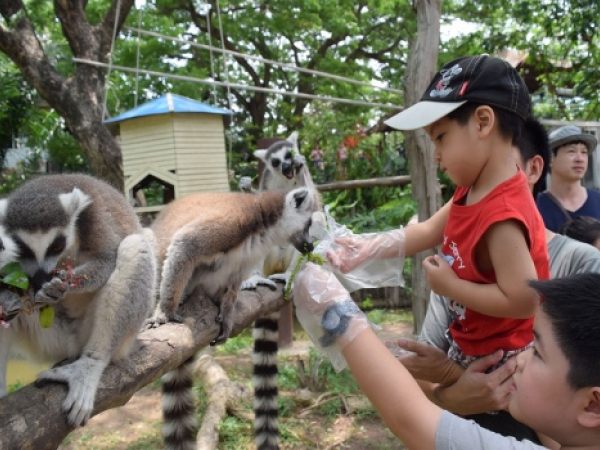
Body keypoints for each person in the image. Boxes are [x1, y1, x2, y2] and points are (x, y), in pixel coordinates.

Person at [329, 54, 549, 371]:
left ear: (483, 122)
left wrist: (451, 288)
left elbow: (525, 300)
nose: (436, 156)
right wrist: (365, 248)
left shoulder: (502, 214)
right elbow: (428, 230)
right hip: (473, 348)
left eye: (441, 138)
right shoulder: (473, 189)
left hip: (505, 365)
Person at [403, 116, 600, 446]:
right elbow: (421, 375)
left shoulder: (583, 267)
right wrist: (451, 396)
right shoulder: (455, 267)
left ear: (533, 170)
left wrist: (451, 382)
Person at [293, 263, 600, 449]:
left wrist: (332, 305)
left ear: (592, 405)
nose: (519, 357)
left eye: (537, 353)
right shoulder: (567, 433)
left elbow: (408, 416)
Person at [536, 125, 600, 232]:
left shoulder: (597, 200)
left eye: (584, 152)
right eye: (572, 151)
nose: (580, 159)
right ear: (551, 159)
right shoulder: (536, 205)